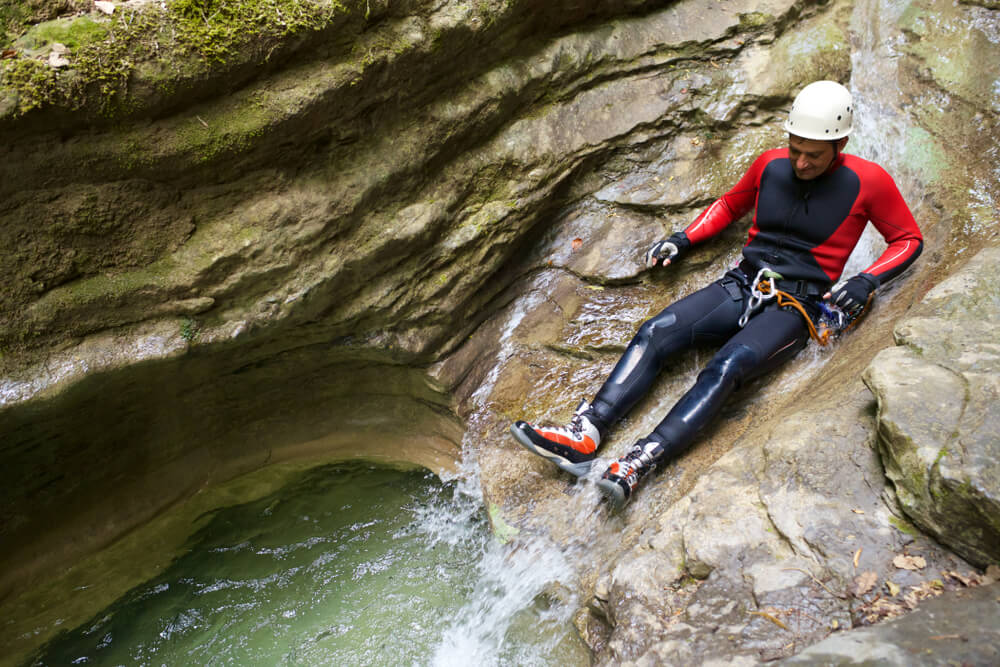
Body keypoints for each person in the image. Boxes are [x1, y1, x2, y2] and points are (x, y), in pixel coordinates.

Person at [510, 80, 923, 507]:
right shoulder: (770, 164)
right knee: (656, 332)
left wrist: (865, 280)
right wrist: (683, 239)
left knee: (728, 366)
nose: (800, 162)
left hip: (795, 307)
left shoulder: (869, 181)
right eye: (795, 147)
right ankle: (585, 437)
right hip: (742, 283)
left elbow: (908, 239)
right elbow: (729, 205)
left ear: (841, 143)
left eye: (813, 155)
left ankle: (642, 460)